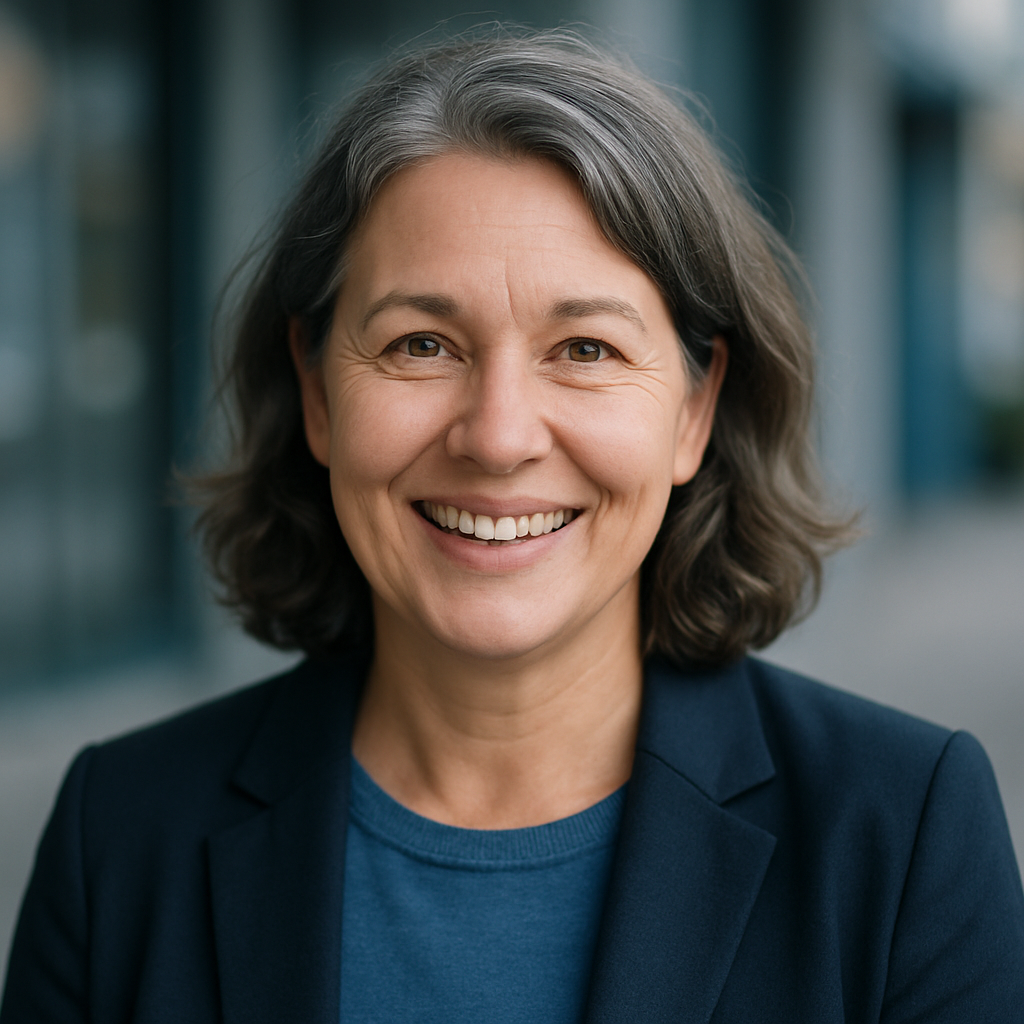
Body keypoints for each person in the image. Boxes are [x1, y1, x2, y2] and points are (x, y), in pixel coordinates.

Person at [2, 28, 1022, 1024]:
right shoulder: (120, 835)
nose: (496, 437)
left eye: (583, 348)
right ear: (316, 391)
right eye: (420, 344)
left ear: (695, 409)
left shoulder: (902, 835)